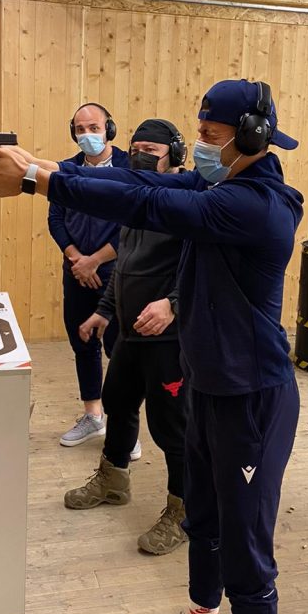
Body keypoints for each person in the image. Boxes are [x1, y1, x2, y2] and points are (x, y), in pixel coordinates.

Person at [0, 79, 303, 614]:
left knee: (248, 561)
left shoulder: (255, 205)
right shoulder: (221, 185)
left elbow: (145, 200)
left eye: (210, 137)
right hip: (209, 385)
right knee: (202, 520)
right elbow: (145, 184)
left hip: (251, 399)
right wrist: (44, 165)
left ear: (249, 137)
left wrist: (38, 182)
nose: (201, 147)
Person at [68, 118, 189, 556]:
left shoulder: (187, 202)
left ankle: (184, 512)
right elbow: (125, 264)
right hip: (131, 333)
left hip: (169, 340)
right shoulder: (138, 201)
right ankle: (113, 481)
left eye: (150, 151)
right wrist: (104, 311)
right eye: (135, 149)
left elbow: (202, 268)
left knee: (173, 427)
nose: (139, 156)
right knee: (117, 402)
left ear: (175, 156)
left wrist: (172, 304)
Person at [47, 102, 131, 450]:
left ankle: (124, 425)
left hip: (117, 274)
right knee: (83, 343)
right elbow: (56, 220)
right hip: (76, 272)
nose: (87, 135)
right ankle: (92, 416)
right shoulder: (66, 170)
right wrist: (77, 259)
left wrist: (95, 260)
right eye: (80, 129)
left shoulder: (129, 167)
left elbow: (133, 224)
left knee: (119, 349)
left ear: (109, 129)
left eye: (93, 128)